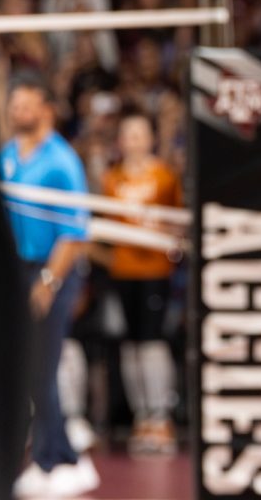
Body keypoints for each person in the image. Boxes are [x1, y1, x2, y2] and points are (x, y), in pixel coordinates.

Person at [0, 74, 100, 497]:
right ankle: (62, 456)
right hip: (18, 267)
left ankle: (50, 459)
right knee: (27, 369)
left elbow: (74, 232)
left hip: (51, 270)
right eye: (13, 104)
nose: (16, 112)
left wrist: (48, 280)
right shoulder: (9, 154)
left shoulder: (62, 160)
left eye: (25, 105)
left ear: (45, 108)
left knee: (43, 366)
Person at [99, 111, 184, 456]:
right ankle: (141, 415)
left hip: (155, 272)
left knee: (152, 342)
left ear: (150, 139)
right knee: (131, 344)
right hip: (123, 271)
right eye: (127, 134)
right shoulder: (112, 178)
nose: (133, 140)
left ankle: (161, 415)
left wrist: (160, 229)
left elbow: (179, 224)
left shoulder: (165, 177)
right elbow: (106, 225)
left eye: (139, 133)